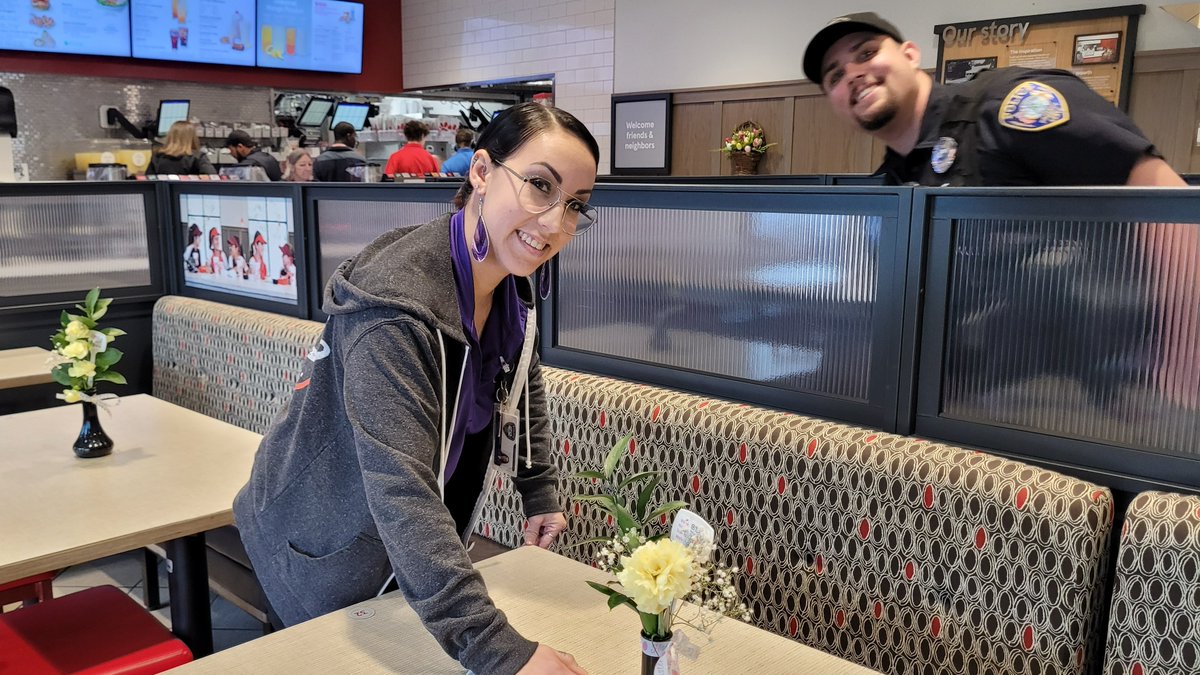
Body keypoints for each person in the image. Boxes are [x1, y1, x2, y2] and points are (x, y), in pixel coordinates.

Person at [233, 102, 599, 675]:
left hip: (409, 559)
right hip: (324, 546)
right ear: (481, 171)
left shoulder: (508, 279)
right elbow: (401, 490)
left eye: (575, 204)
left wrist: (537, 485)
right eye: (539, 186)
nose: (555, 223)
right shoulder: (396, 310)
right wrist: (501, 653)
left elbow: (518, 377)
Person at [801, 12, 1187, 187]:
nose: (852, 74)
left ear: (910, 54)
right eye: (834, 76)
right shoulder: (893, 182)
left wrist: (1175, 350)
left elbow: (1167, 205)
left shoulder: (1006, 107)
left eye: (866, 53)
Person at [148, 121, 216, 176]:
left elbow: (148, 180)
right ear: (192, 137)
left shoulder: (157, 157)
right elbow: (213, 178)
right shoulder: (197, 157)